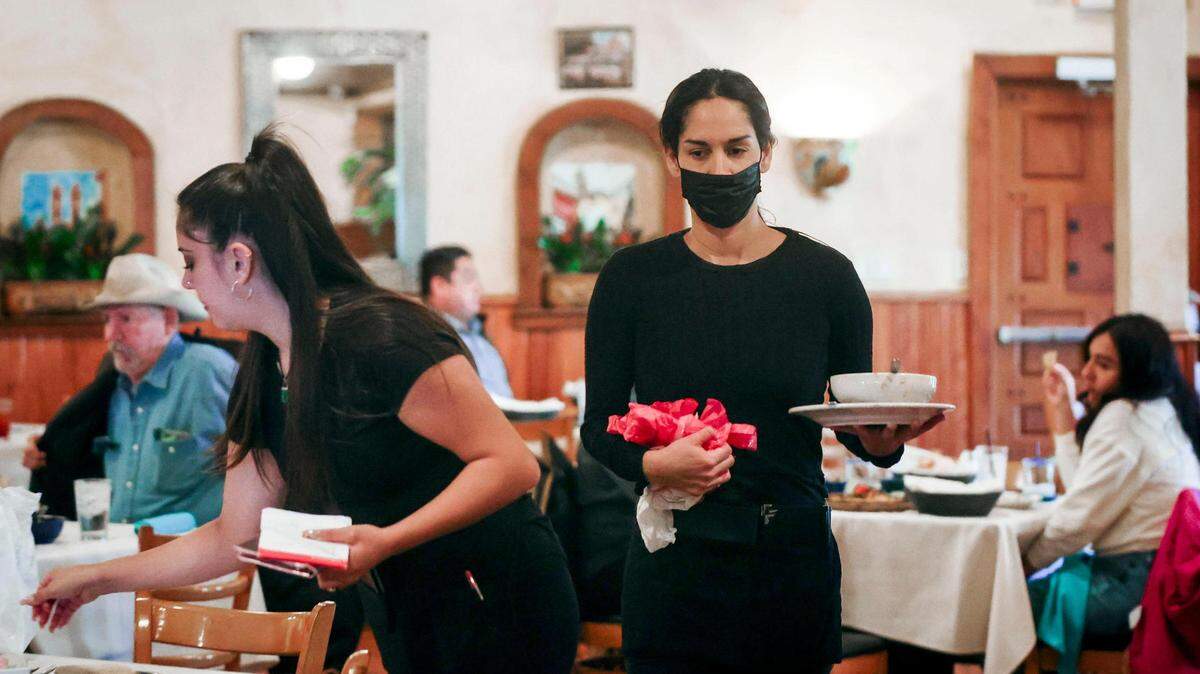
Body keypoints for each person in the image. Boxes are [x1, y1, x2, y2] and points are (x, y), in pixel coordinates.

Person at [24, 128, 579, 674]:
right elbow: (232, 535)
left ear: (238, 261)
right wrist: (97, 579)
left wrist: (387, 540)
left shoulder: (382, 337)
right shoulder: (263, 365)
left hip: (497, 593)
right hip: (406, 602)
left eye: (190, 261)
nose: (188, 282)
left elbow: (511, 465)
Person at [581, 68, 943, 674]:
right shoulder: (632, 279)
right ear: (672, 157)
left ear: (766, 153)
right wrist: (653, 465)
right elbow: (599, 428)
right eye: (699, 151)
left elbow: (855, 423)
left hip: (790, 563)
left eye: (737, 149)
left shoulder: (825, 278)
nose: (720, 168)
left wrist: (883, 442)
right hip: (676, 559)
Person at [23, 253, 235, 525]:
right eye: (107, 320)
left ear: (168, 321)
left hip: (187, 544)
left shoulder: (207, 372)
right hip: (117, 540)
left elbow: (262, 460)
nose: (109, 335)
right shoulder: (111, 383)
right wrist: (47, 449)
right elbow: (75, 445)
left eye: (125, 319)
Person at [1026, 313, 1200, 644]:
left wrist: (1024, 564)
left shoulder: (1125, 417)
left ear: (1136, 373)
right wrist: (1062, 416)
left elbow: (1078, 522)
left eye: (1103, 364)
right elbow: (1086, 493)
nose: (1087, 372)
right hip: (1163, 578)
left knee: (999, 608)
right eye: (1089, 359)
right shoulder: (1164, 408)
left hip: (1134, 585)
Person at [419, 246, 513, 397]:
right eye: (468, 278)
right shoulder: (425, 339)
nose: (479, 288)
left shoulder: (480, 335)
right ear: (439, 285)